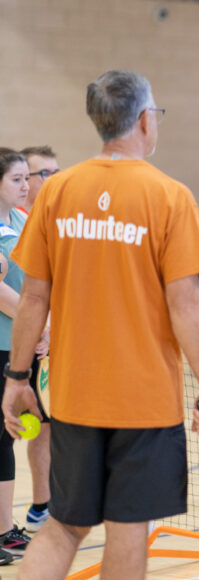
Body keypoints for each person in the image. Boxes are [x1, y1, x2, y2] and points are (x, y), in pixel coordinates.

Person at [0, 69, 199, 580]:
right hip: (142, 401)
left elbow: (35, 298)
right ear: (145, 119)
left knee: (65, 524)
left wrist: (17, 378)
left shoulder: (60, 192)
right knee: (128, 533)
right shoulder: (169, 196)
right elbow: (185, 303)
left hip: (72, 394)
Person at [16, 147, 58, 534]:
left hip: (54, 346)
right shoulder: (15, 224)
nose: (52, 180)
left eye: (56, 172)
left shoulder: (55, 221)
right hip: (20, 349)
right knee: (29, 428)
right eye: (43, 173)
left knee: (48, 428)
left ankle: (44, 504)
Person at [0, 150, 37, 558]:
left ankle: (5, 530)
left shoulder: (23, 221)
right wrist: (38, 326)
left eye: (26, 178)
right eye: (16, 179)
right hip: (3, 345)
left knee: (8, 438)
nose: (25, 186)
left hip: (19, 349)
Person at [19, 147, 59, 215]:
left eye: (56, 173)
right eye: (45, 173)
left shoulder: (59, 214)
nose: (54, 179)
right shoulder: (8, 217)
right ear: (25, 177)